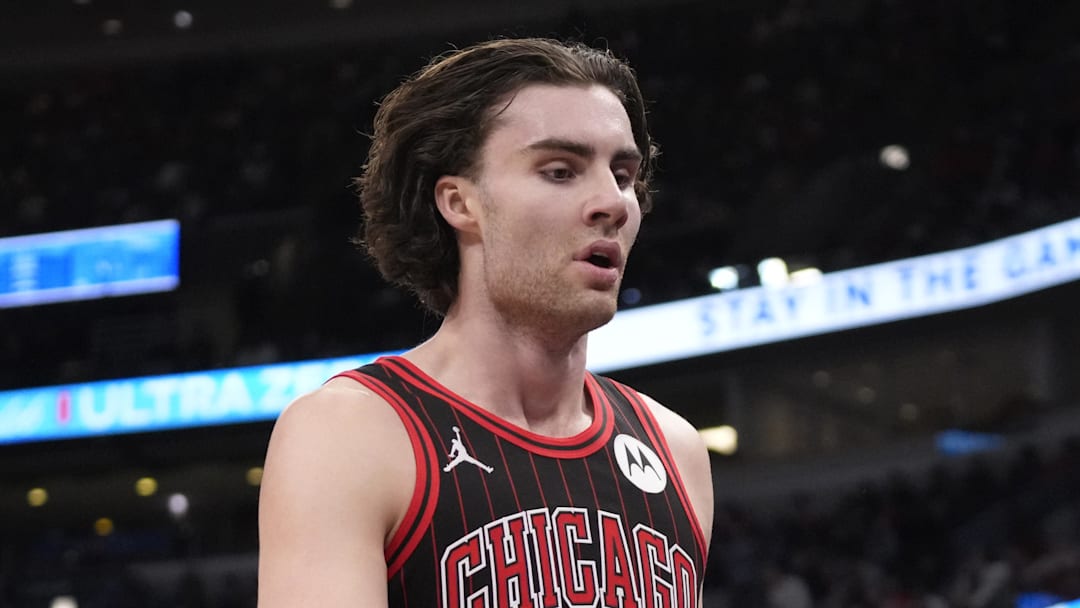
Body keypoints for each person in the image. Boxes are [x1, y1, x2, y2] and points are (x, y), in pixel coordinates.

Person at [258, 37, 713, 608]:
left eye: (623, 174)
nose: (614, 202)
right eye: (559, 171)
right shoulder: (352, 432)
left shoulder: (675, 448)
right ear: (458, 203)